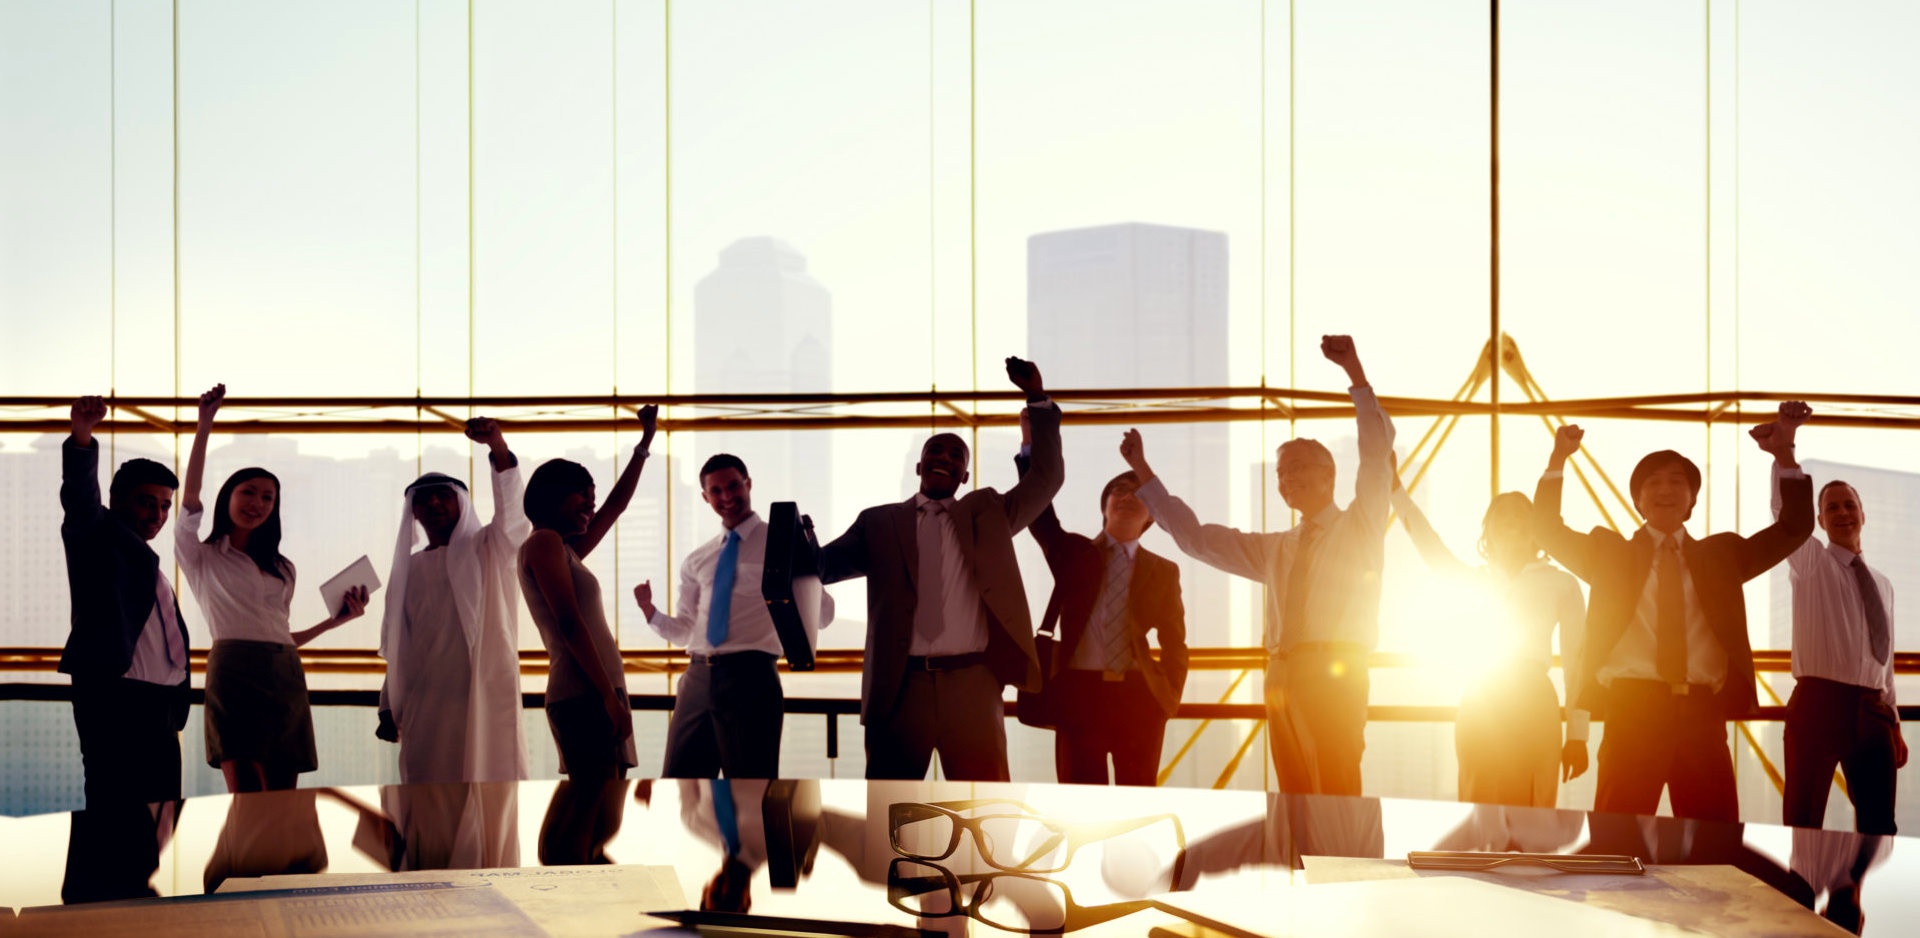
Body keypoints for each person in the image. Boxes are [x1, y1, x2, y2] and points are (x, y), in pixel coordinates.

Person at [1119, 335, 1393, 796]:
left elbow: (1376, 457)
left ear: (1329, 475)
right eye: (1281, 473)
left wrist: (1356, 376)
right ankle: (1299, 868)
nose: (1288, 479)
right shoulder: (1277, 548)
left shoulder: (1361, 525)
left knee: (1337, 786)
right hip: (1282, 676)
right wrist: (1144, 472)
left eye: (1300, 467)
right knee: (1293, 793)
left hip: (1337, 671)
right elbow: (1197, 540)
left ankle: (1346, 868)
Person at [1531, 402, 1814, 821]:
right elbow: (1546, 529)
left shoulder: (1722, 557)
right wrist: (1558, 459)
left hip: (1702, 717)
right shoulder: (1609, 554)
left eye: (1677, 481)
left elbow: (1794, 528)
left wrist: (1785, 455)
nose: (1665, 489)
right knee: (1616, 842)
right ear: (1638, 501)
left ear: (1691, 500)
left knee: (1714, 852)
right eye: (1653, 483)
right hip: (1632, 714)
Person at [816, 357, 1062, 781]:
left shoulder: (990, 514)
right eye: (935, 450)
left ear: (965, 475)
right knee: (888, 811)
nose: (944, 457)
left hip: (973, 684)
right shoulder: (879, 523)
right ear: (919, 465)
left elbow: (1046, 478)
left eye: (955, 454)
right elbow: (822, 566)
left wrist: (1036, 399)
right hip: (899, 687)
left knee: (986, 813)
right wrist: (786, 543)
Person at [177, 384, 369, 793]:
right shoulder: (202, 555)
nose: (258, 503)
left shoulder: (283, 569)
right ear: (227, 497)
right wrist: (204, 424)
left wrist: (332, 623)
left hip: (285, 674)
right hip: (233, 673)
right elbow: (190, 497)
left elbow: (281, 635)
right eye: (248, 492)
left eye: (267, 497)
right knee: (249, 796)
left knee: (284, 801)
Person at [636, 454, 834, 779]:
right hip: (697, 678)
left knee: (751, 789)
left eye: (733, 486)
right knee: (680, 786)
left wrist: (808, 557)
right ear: (705, 497)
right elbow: (687, 631)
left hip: (752, 676)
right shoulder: (697, 559)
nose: (727, 497)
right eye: (716, 491)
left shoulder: (782, 542)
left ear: (748, 484)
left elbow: (823, 616)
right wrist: (651, 613)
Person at [1391, 484, 1589, 807]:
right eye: (1502, 518)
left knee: (1533, 807)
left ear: (1537, 529)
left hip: (1535, 701)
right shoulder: (1475, 581)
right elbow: (1431, 548)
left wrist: (1578, 735)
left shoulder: (1561, 583)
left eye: (1522, 517)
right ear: (1488, 532)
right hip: (1481, 700)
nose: (1512, 523)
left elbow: (1577, 663)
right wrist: (1396, 492)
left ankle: (1527, 859)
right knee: (1479, 801)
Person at [1017, 416, 1187, 786]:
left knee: (1138, 800)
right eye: (1119, 491)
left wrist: (1168, 695)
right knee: (1081, 805)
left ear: (1151, 514)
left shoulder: (1163, 571)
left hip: (1139, 698)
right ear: (1105, 505)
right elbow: (1039, 514)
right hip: (1079, 695)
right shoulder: (1073, 553)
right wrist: (1030, 444)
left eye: (1139, 492)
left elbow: (1175, 642)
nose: (1128, 497)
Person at [375, 417, 533, 784]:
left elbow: (514, 517)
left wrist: (497, 446)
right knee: (426, 798)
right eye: (423, 499)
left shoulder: (489, 548)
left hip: (481, 696)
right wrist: (386, 705)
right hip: (424, 705)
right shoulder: (407, 570)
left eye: (443, 495)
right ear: (413, 513)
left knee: (486, 791)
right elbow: (400, 645)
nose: (433, 503)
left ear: (461, 502)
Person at [58, 396, 192, 808]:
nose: (157, 514)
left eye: (165, 505)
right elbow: (80, 499)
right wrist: (82, 435)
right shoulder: (96, 536)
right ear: (117, 499)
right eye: (146, 502)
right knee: (114, 815)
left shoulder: (151, 565)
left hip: (162, 708)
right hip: (117, 701)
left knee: (162, 821)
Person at [1771, 439, 1906, 833]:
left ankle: (1861, 897)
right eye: (1832, 507)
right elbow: (1786, 516)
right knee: (1803, 820)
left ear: (1863, 514)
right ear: (1819, 520)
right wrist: (1785, 460)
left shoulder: (1883, 584)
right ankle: (1800, 895)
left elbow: (1886, 663)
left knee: (1880, 826)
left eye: (1849, 505)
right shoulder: (1811, 562)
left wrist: (1893, 722)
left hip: (1874, 711)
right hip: (1818, 705)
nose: (1842, 513)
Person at [518, 404, 658, 781]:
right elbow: (569, 623)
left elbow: (616, 506)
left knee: (603, 820)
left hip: (598, 691)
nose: (590, 505)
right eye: (582, 496)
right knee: (591, 816)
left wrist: (644, 443)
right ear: (555, 496)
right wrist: (608, 699)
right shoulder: (544, 542)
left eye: (591, 498)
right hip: (585, 695)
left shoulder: (565, 549)